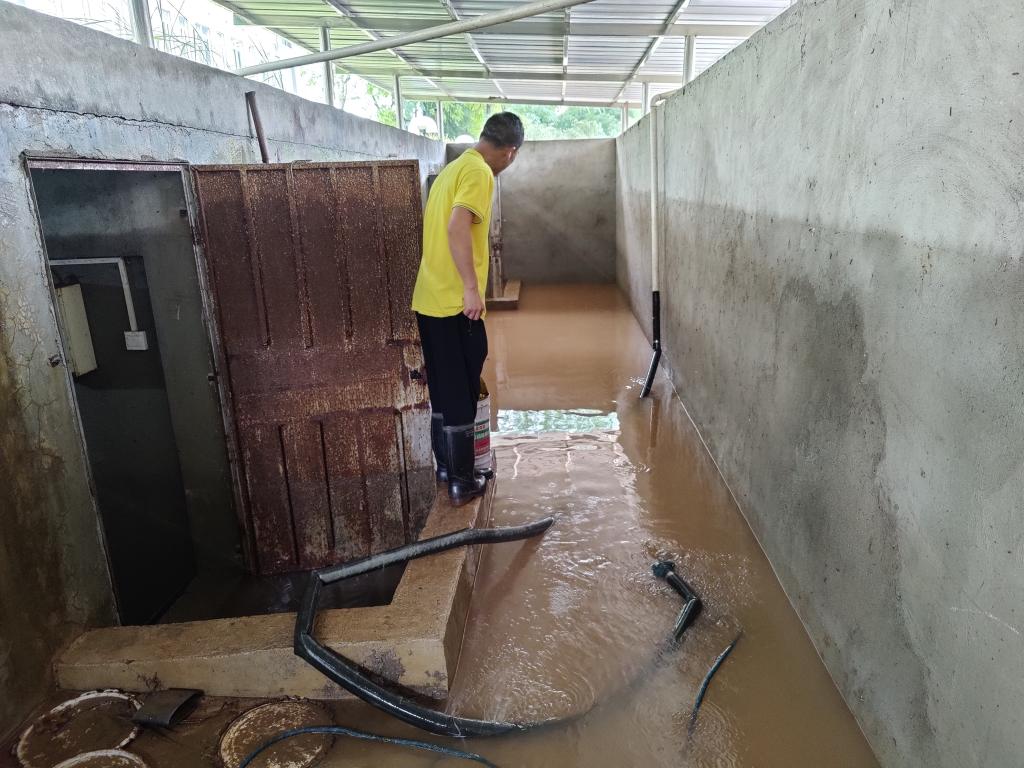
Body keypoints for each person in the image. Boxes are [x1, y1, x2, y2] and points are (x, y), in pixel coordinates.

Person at [411, 112, 524, 507]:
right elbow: (457, 227)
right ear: (510, 152)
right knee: (462, 388)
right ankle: (463, 481)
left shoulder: (452, 169)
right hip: (455, 303)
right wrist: (472, 289)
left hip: (429, 300)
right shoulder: (479, 173)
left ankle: (446, 469)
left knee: (443, 389)